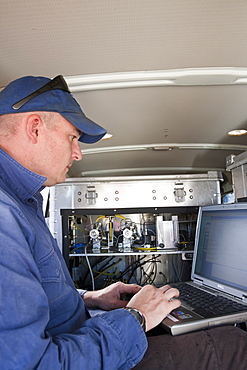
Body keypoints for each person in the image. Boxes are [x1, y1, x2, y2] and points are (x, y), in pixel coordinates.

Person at [0, 75, 246, 370]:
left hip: (83, 336)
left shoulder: (23, 203)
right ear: (35, 128)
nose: (77, 153)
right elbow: (33, 365)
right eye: (72, 137)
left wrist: (90, 298)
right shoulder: (5, 216)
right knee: (232, 345)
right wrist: (136, 318)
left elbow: (35, 294)